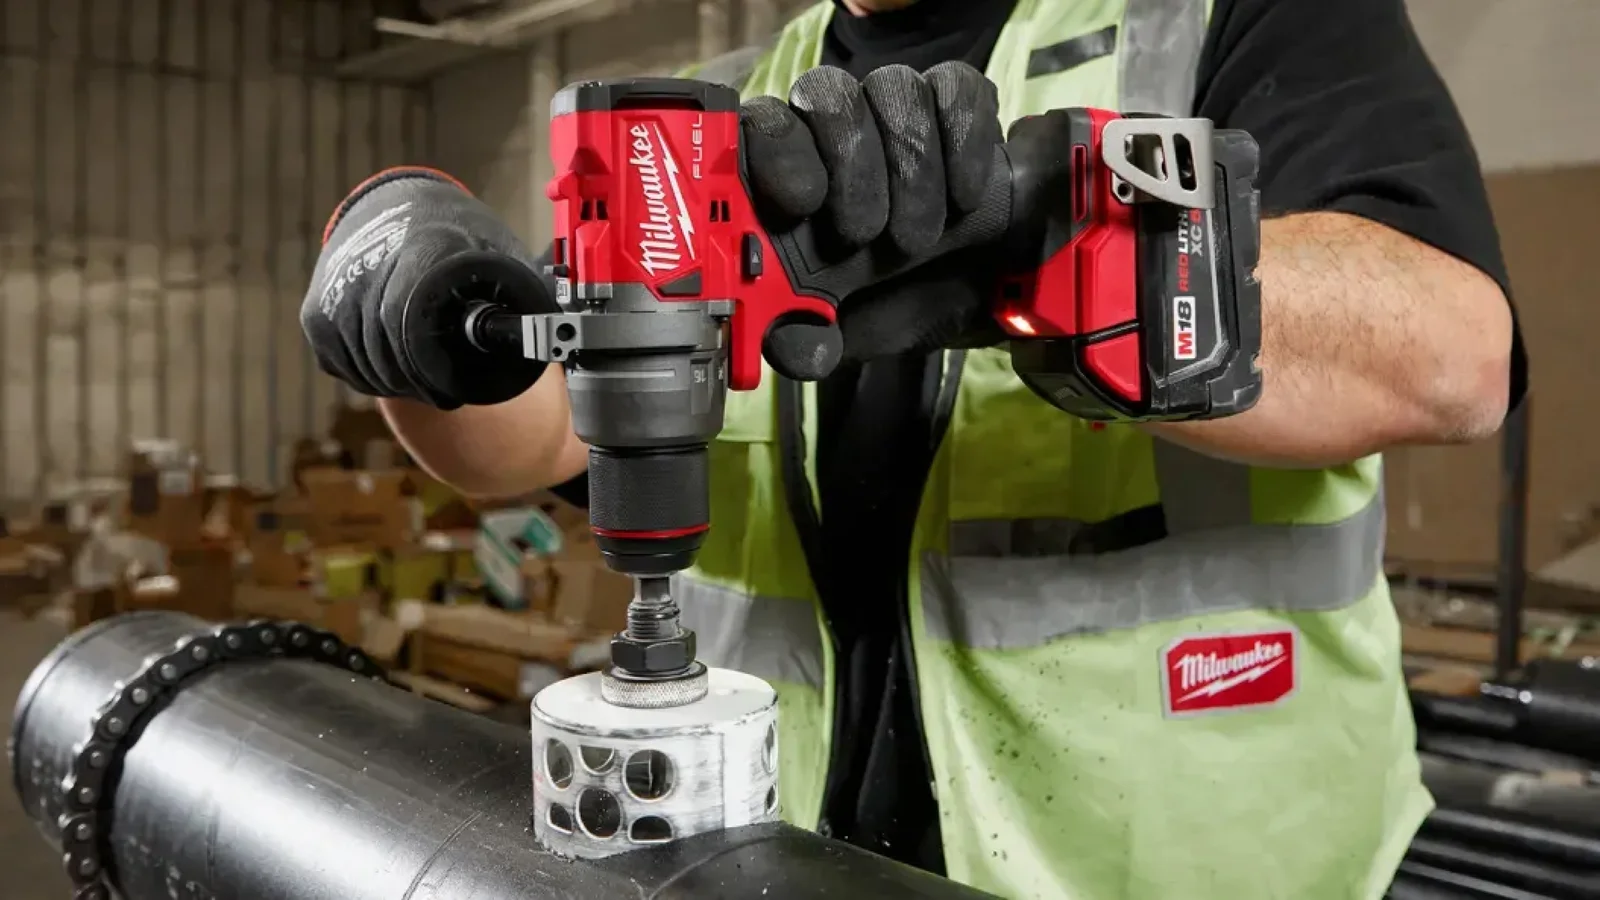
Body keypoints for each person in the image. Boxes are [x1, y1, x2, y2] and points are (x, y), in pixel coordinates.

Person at [303, 0, 1525, 897]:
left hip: (1188, 868)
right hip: (800, 854)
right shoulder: (721, 97)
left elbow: (1449, 353)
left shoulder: (1222, 19)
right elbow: (527, 439)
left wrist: (1048, 244)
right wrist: (420, 302)